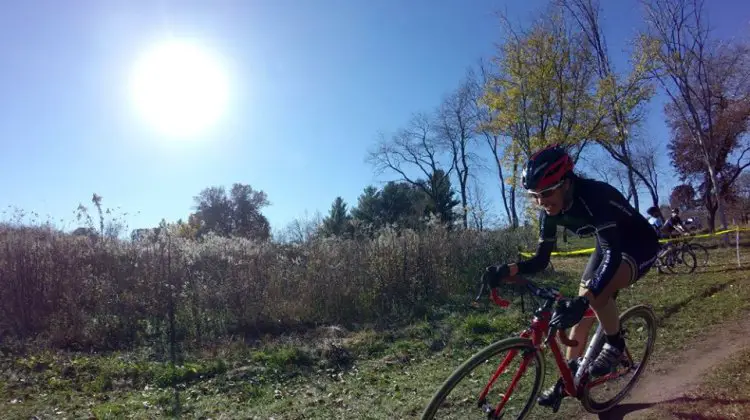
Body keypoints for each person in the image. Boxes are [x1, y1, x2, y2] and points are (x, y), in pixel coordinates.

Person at [484, 144, 661, 409]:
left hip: (637, 244)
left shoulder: (595, 195)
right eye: (535, 196)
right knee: (582, 314)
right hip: (607, 245)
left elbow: (614, 254)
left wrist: (588, 297)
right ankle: (571, 377)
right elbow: (541, 260)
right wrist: (506, 270)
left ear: (566, 183)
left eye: (546, 193)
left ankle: (614, 343)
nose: (541, 202)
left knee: (594, 295)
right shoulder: (549, 214)